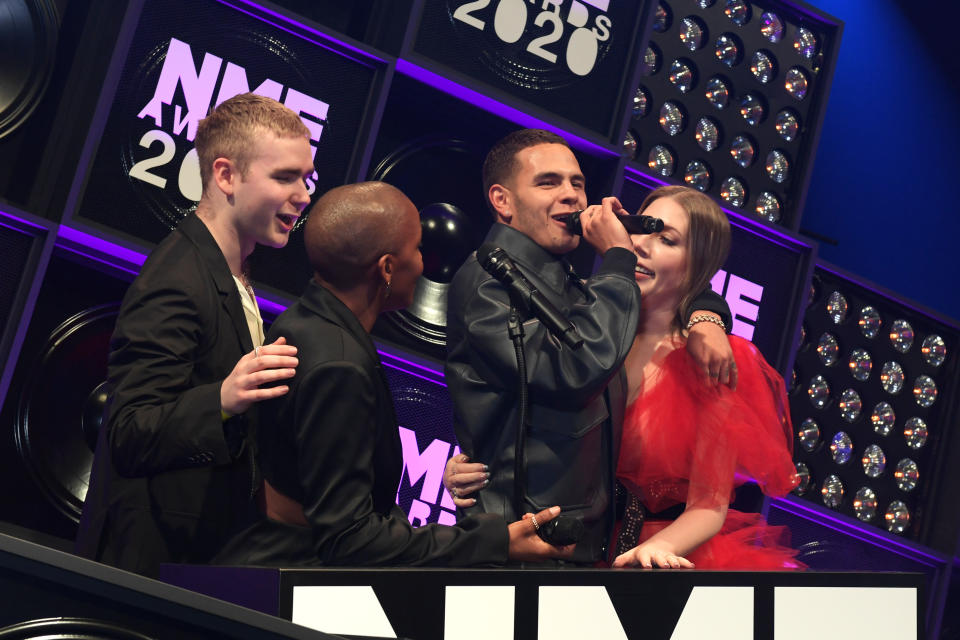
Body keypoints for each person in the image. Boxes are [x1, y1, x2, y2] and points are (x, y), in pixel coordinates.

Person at [214, 181, 571, 567]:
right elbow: (350, 539)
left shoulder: (306, 319)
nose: (424, 263)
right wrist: (492, 541)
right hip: (284, 582)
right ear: (386, 268)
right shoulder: (339, 368)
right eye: (417, 249)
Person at [443, 129, 735, 564]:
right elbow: (573, 369)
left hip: (621, 554)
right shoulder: (498, 280)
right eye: (548, 183)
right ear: (502, 200)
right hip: (537, 545)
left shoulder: (575, 286)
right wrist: (476, 460)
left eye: (577, 184)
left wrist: (707, 312)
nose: (571, 197)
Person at [76, 93, 309, 577]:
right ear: (225, 175)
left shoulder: (232, 270)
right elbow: (128, 432)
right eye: (285, 177)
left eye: (306, 178)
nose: (304, 194)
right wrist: (222, 398)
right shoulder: (177, 277)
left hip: (200, 561)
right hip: (147, 571)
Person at [609, 186, 800, 570]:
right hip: (558, 544)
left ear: (698, 266)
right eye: (641, 228)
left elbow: (709, 506)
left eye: (666, 239)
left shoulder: (711, 361)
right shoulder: (590, 327)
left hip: (650, 555)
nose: (643, 245)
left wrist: (648, 553)